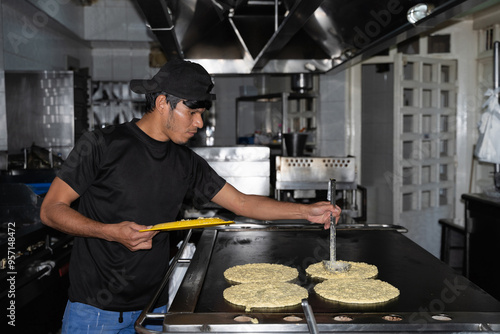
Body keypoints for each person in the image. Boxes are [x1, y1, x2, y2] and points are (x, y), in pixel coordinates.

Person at [40, 58, 341, 333]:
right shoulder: (100, 146)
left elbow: (242, 202)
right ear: (162, 103)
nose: (199, 123)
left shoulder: (185, 161)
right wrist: (109, 232)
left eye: (202, 113)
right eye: (192, 112)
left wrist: (305, 211)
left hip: (154, 309)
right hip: (95, 314)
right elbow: (51, 209)